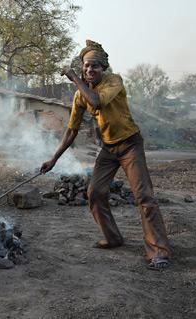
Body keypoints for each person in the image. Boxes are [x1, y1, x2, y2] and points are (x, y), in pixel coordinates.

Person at [40, 40, 171, 270]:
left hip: (131, 145)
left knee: (144, 197)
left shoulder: (114, 81)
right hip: (109, 149)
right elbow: (71, 130)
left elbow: (97, 101)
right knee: (95, 192)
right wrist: (54, 159)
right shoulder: (80, 96)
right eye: (86, 67)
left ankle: (158, 251)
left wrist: (74, 78)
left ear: (103, 69)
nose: (90, 70)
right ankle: (113, 238)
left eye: (95, 67)